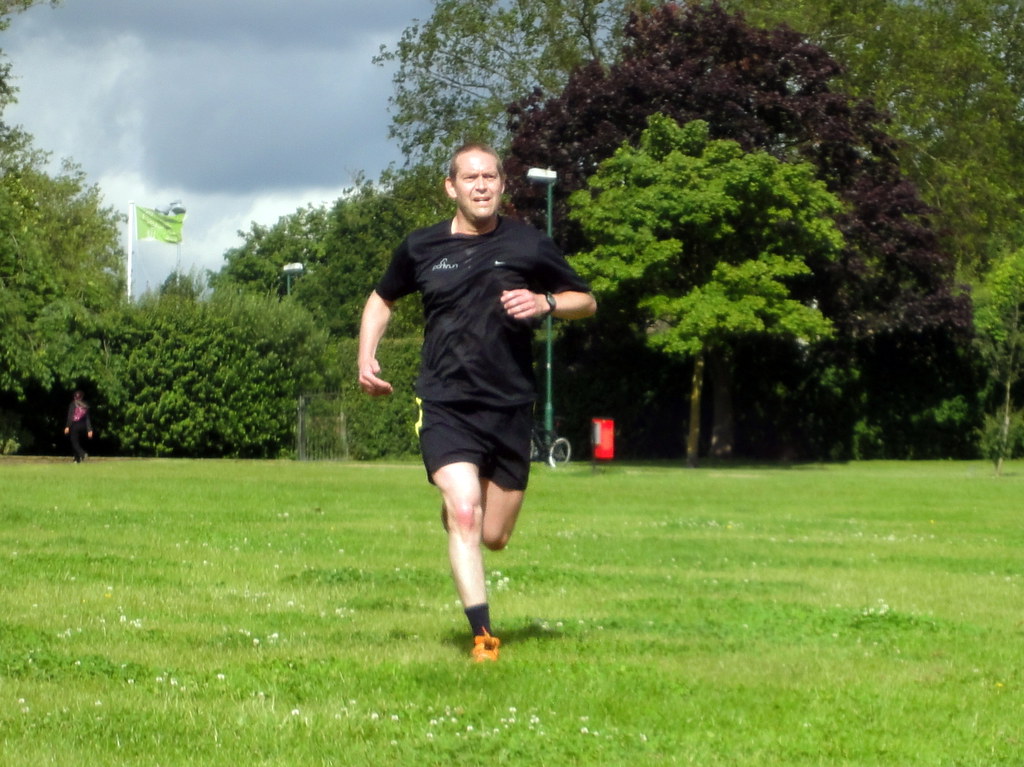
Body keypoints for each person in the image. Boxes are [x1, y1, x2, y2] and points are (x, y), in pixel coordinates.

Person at [357, 143, 597, 662]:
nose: (482, 185)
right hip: (445, 402)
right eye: (471, 177)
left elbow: (586, 300)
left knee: (493, 535)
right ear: (451, 187)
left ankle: (462, 515)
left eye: (491, 176)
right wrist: (365, 357)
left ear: (502, 186)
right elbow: (381, 299)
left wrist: (546, 302)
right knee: (465, 511)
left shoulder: (529, 244)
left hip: (510, 405)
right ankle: (483, 635)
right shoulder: (421, 247)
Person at [64, 390, 93, 463]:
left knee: (74, 442)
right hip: (83, 426)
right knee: (77, 442)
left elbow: (70, 416)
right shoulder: (85, 405)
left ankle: (82, 454)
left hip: (75, 425)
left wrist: (67, 426)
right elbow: (87, 418)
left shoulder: (73, 404)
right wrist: (89, 429)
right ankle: (77, 459)